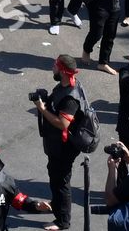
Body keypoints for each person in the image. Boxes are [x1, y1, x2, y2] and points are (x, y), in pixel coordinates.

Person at [33, 55, 91, 231]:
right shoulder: (66, 85)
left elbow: (62, 123)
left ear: (63, 71)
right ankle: (56, 204)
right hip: (57, 145)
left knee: (61, 182)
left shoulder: (70, 98)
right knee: (55, 176)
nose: (52, 68)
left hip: (64, 148)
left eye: (55, 66)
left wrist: (42, 109)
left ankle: (62, 221)